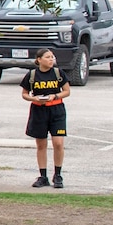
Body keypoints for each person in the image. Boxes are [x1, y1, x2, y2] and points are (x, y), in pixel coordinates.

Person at [21, 47, 70, 188]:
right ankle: (43, 176)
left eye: (52, 57)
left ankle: (58, 174)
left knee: (58, 143)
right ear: (39, 60)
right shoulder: (31, 75)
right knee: (41, 144)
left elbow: (67, 91)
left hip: (57, 110)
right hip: (39, 110)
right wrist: (33, 98)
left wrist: (54, 96)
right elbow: (24, 93)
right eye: (48, 57)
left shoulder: (58, 73)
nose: (51, 59)